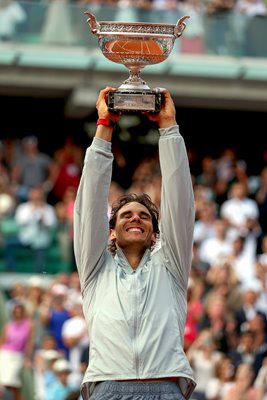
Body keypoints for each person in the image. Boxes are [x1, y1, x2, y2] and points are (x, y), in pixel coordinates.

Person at [73, 86, 196, 400]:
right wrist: (105, 127)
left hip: (166, 385)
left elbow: (180, 201)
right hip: (108, 386)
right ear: (111, 232)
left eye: (144, 215)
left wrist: (169, 128)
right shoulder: (94, 271)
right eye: (125, 215)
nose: (135, 218)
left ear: (155, 233)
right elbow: (88, 204)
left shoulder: (172, 266)